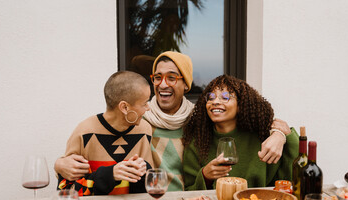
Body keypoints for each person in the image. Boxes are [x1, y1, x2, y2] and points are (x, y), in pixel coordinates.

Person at [55, 51, 291, 191]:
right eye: (157, 78)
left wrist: (279, 133)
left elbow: (262, 121)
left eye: (171, 77)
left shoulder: (200, 121)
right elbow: (105, 132)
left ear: (185, 84)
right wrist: (59, 165)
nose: (163, 84)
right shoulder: (139, 120)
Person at [182, 75, 299, 190]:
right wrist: (205, 176)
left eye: (225, 97)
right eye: (211, 97)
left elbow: (294, 176)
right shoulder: (196, 143)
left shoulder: (263, 136)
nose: (215, 102)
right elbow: (188, 192)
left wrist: (282, 135)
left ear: (240, 104)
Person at [56, 71, 153, 195]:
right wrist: (110, 175)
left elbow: (149, 186)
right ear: (124, 107)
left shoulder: (145, 130)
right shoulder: (84, 132)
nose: (148, 108)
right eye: (144, 103)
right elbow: (67, 191)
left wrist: (144, 171)